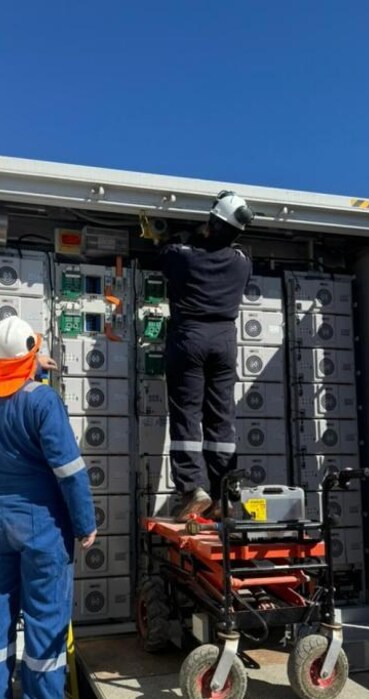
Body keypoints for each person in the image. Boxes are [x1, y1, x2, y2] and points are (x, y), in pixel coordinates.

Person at [0, 316, 97, 699]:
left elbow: (1, 382)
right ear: (29, 356)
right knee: (44, 623)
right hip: (41, 525)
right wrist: (85, 523)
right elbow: (70, 471)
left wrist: (28, 364)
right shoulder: (43, 401)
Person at [160, 191, 254, 520]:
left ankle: (192, 489)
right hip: (225, 342)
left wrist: (185, 234)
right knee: (221, 417)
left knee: (187, 414)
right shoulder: (242, 262)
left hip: (191, 337)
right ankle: (224, 494)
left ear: (212, 222)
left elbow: (166, 250)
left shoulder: (183, 256)